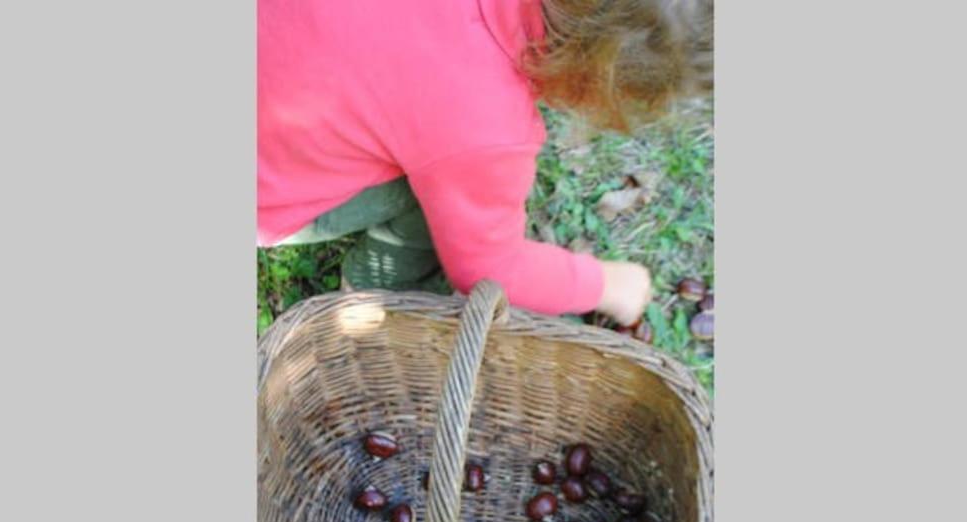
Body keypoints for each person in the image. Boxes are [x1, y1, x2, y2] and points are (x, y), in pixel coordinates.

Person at [258, 0, 712, 325]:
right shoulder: (484, 126)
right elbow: (491, 268)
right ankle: (379, 294)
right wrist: (608, 284)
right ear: (603, 82)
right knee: (440, 195)